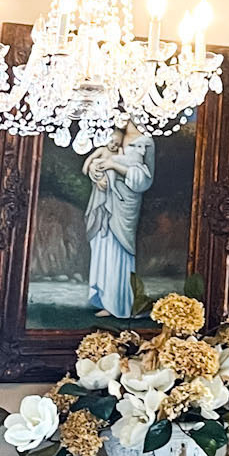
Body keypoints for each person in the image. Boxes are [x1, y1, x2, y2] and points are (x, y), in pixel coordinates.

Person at [84, 123, 154, 318]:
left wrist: (114, 166)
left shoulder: (146, 141)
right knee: (102, 242)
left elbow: (146, 179)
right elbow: (96, 161)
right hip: (104, 197)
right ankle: (104, 299)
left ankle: (120, 303)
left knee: (119, 248)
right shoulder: (113, 135)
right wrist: (95, 174)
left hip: (125, 202)